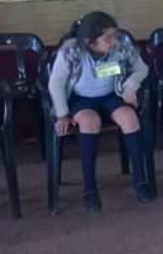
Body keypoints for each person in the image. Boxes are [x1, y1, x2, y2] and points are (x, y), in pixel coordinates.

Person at [48, 12, 152, 212]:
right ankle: (90, 189)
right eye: (107, 39)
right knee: (89, 122)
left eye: (115, 35)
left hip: (111, 93)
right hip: (81, 98)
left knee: (130, 119)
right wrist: (62, 114)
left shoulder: (121, 45)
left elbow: (142, 68)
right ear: (90, 42)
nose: (114, 41)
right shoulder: (70, 51)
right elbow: (56, 83)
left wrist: (131, 86)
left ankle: (140, 181)